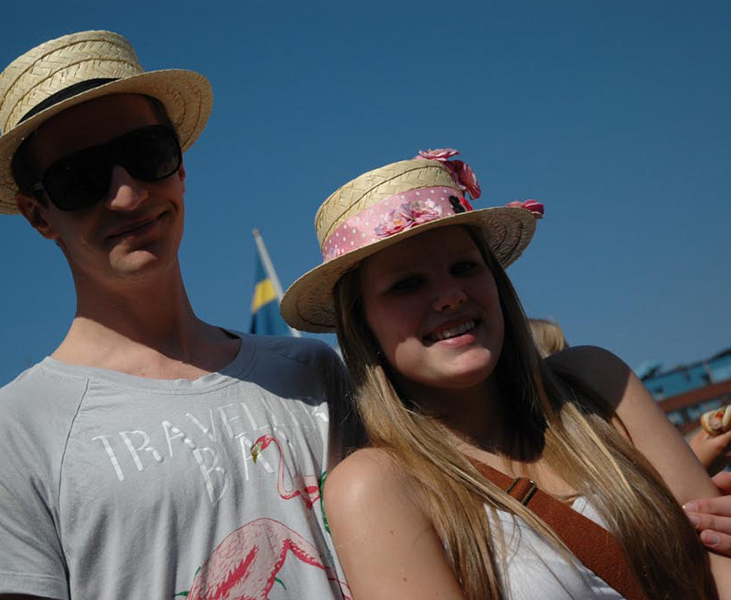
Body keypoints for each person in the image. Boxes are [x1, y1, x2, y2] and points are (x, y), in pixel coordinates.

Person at [0, 30, 353, 599]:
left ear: (180, 168)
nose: (127, 194)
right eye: (79, 178)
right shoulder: (6, 435)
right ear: (38, 215)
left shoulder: (312, 373)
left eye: (147, 154)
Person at [280, 148, 731, 599]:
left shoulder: (597, 384)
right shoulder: (375, 485)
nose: (451, 295)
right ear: (363, 324)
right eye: (407, 284)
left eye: (464, 267)